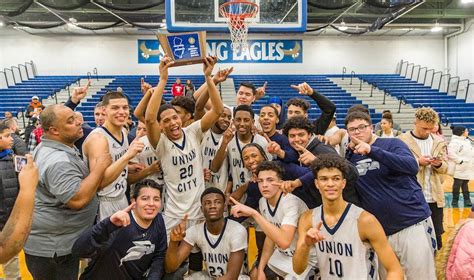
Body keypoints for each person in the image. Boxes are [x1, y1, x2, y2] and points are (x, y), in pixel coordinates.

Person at [344, 111, 436, 279]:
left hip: (411, 223)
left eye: (362, 127)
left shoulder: (392, 143)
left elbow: (411, 166)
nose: (357, 132)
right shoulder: (350, 157)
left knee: (422, 277)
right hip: (380, 233)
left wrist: (372, 150)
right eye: (352, 129)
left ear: (372, 128)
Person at [24, 104, 110, 280]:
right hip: (52, 250)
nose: (79, 122)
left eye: (76, 117)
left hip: (58, 243)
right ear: (54, 131)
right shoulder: (58, 161)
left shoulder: (54, 146)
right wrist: (99, 168)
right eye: (71, 121)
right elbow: (77, 200)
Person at [144, 55, 223, 235]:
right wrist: (163, 79)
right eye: (166, 120)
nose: (173, 122)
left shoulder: (192, 131)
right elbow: (149, 119)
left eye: (175, 117)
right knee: (171, 260)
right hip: (174, 214)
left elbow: (217, 110)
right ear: (161, 127)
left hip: (199, 210)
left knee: (196, 260)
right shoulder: (161, 143)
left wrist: (208, 77)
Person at [292, 154, 404, 279]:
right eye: (324, 179)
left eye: (336, 179)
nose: (330, 184)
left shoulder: (364, 220)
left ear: (343, 183)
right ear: (317, 184)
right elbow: (298, 269)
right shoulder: (308, 218)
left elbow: (395, 270)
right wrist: (305, 246)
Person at [230, 161, 314, 279]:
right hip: (285, 256)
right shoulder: (263, 202)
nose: (264, 185)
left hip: (306, 260)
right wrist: (260, 269)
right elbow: (270, 239)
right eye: (260, 181)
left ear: (281, 182)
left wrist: (254, 213)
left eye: (270, 180)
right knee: (255, 274)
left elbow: (284, 242)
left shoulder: (290, 202)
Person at [72, 179, 167, 279]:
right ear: (134, 202)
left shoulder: (158, 220)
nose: (151, 203)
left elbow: (159, 256)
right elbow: (78, 251)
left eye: (156, 199)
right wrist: (108, 224)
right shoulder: (118, 224)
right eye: (145, 198)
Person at [83, 91, 145, 221]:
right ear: (104, 110)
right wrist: (127, 156)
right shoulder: (98, 139)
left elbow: (115, 163)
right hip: (104, 202)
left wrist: (129, 167)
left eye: (125, 107)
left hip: (122, 196)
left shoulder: (123, 130)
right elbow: (98, 183)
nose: (122, 112)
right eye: (115, 108)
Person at [165, 187, 247, 279]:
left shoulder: (237, 230)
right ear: (202, 209)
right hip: (210, 277)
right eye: (207, 203)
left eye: (217, 202)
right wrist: (173, 242)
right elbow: (170, 268)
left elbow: (232, 276)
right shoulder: (194, 231)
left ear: (224, 207)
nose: (212, 206)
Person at [399, 107, 448, 249]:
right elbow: (397, 167)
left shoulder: (439, 141)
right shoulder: (401, 141)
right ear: (415, 122)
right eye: (424, 128)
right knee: (413, 237)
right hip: (411, 197)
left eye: (430, 129)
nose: (427, 132)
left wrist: (439, 164)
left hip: (434, 197)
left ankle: (436, 267)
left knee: (437, 235)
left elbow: (446, 168)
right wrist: (417, 163)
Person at [211, 105, 271, 201]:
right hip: (236, 196)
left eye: (246, 120)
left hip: (259, 194)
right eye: (238, 120)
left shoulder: (262, 141)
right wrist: (224, 143)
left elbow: (270, 170)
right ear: (233, 121)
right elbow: (214, 168)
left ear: (253, 122)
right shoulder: (227, 139)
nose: (242, 124)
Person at [0, 125, 36, 277]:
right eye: (7, 136)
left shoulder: (13, 159)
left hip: (10, 217)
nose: (11, 140)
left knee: (11, 258)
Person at [201, 106, 232, 191]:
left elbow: (215, 168)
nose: (226, 119)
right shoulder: (203, 133)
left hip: (220, 189)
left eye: (229, 117)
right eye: (223, 115)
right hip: (200, 187)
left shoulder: (230, 138)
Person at [447, 125, 473, 207]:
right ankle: (455, 200)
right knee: (457, 184)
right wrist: (460, 161)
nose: (468, 132)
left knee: (465, 183)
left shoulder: (467, 141)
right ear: (462, 133)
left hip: (467, 167)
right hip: (459, 167)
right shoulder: (454, 142)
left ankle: (467, 199)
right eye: (466, 131)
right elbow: (451, 153)